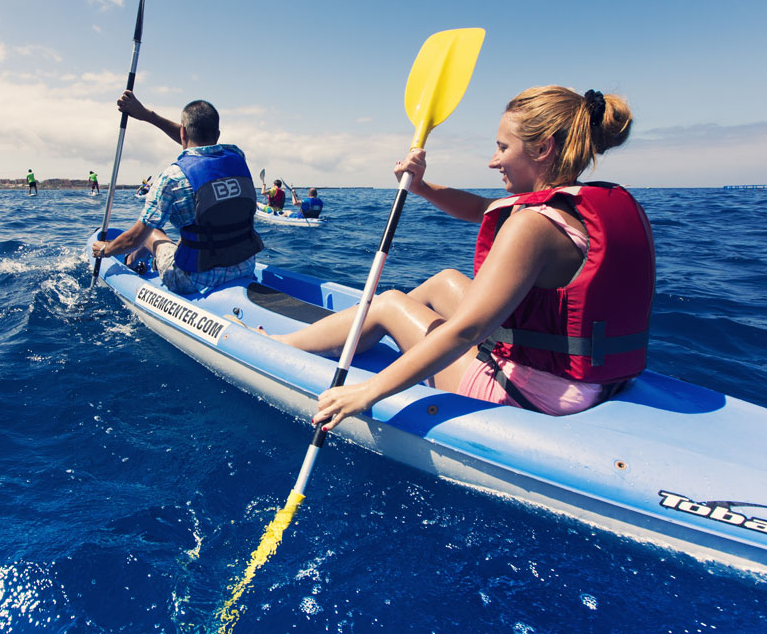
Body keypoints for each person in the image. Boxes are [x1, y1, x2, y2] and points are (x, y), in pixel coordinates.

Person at [268, 86, 654, 431]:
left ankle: (282, 344)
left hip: (534, 396)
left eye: (503, 147)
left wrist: (367, 393)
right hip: (591, 383)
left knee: (388, 304)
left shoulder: (532, 226)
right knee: (444, 281)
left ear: (542, 148)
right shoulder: (586, 206)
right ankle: (351, 332)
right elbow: (484, 208)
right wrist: (420, 186)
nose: (492, 160)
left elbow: (466, 332)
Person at [92, 91, 264, 294]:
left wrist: (105, 250)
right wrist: (148, 115)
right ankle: (145, 257)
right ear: (217, 135)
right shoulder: (237, 155)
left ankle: (130, 261)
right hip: (244, 267)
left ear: (183, 133)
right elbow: (198, 142)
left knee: (153, 234)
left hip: (194, 280)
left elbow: (133, 239)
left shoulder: (171, 177)